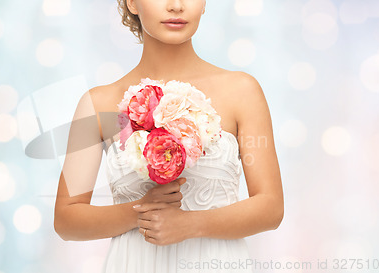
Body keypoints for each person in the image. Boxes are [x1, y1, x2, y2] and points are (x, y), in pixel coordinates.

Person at [53, 0, 284, 272]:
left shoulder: (242, 90)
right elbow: (66, 219)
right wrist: (140, 212)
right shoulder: (97, 102)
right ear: (132, 4)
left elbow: (270, 207)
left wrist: (191, 224)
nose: (176, 6)